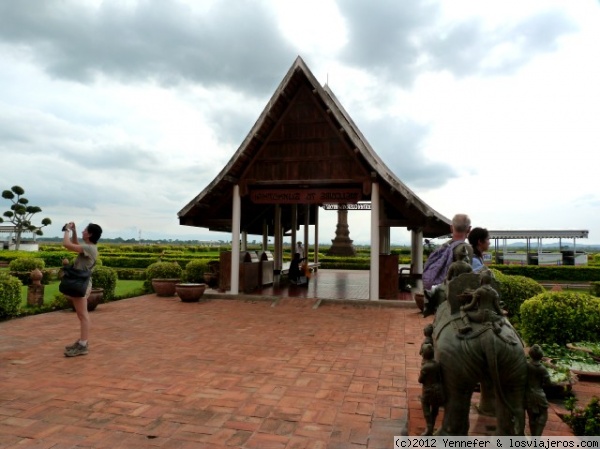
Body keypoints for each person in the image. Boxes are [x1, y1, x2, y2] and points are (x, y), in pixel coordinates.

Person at [62, 221, 103, 357]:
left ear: (90, 234)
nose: (82, 231)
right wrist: (73, 231)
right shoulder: (88, 247)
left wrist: (66, 230)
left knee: (83, 315)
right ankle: (82, 342)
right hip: (80, 283)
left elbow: (67, 245)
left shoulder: (90, 248)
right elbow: (75, 244)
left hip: (82, 284)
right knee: (81, 314)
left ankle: (83, 344)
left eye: (85, 230)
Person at [422, 213, 472, 317]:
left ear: (451, 228)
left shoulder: (444, 246)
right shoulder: (466, 249)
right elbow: (467, 278)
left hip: (440, 296)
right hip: (456, 300)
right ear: (469, 229)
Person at [418, 343, 444, 436]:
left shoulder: (425, 367)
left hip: (428, 391)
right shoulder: (436, 364)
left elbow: (420, 380)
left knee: (425, 405)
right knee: (435, 408)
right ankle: (432, 426)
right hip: (437, 389)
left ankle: (429, 426)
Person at [526, 344, 550, 436]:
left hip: (528, 394)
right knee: (543, 414)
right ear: (541, 355)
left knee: (531, 417)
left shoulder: (526, 365)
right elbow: (548, 383)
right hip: (539, 394)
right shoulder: (542, 369)